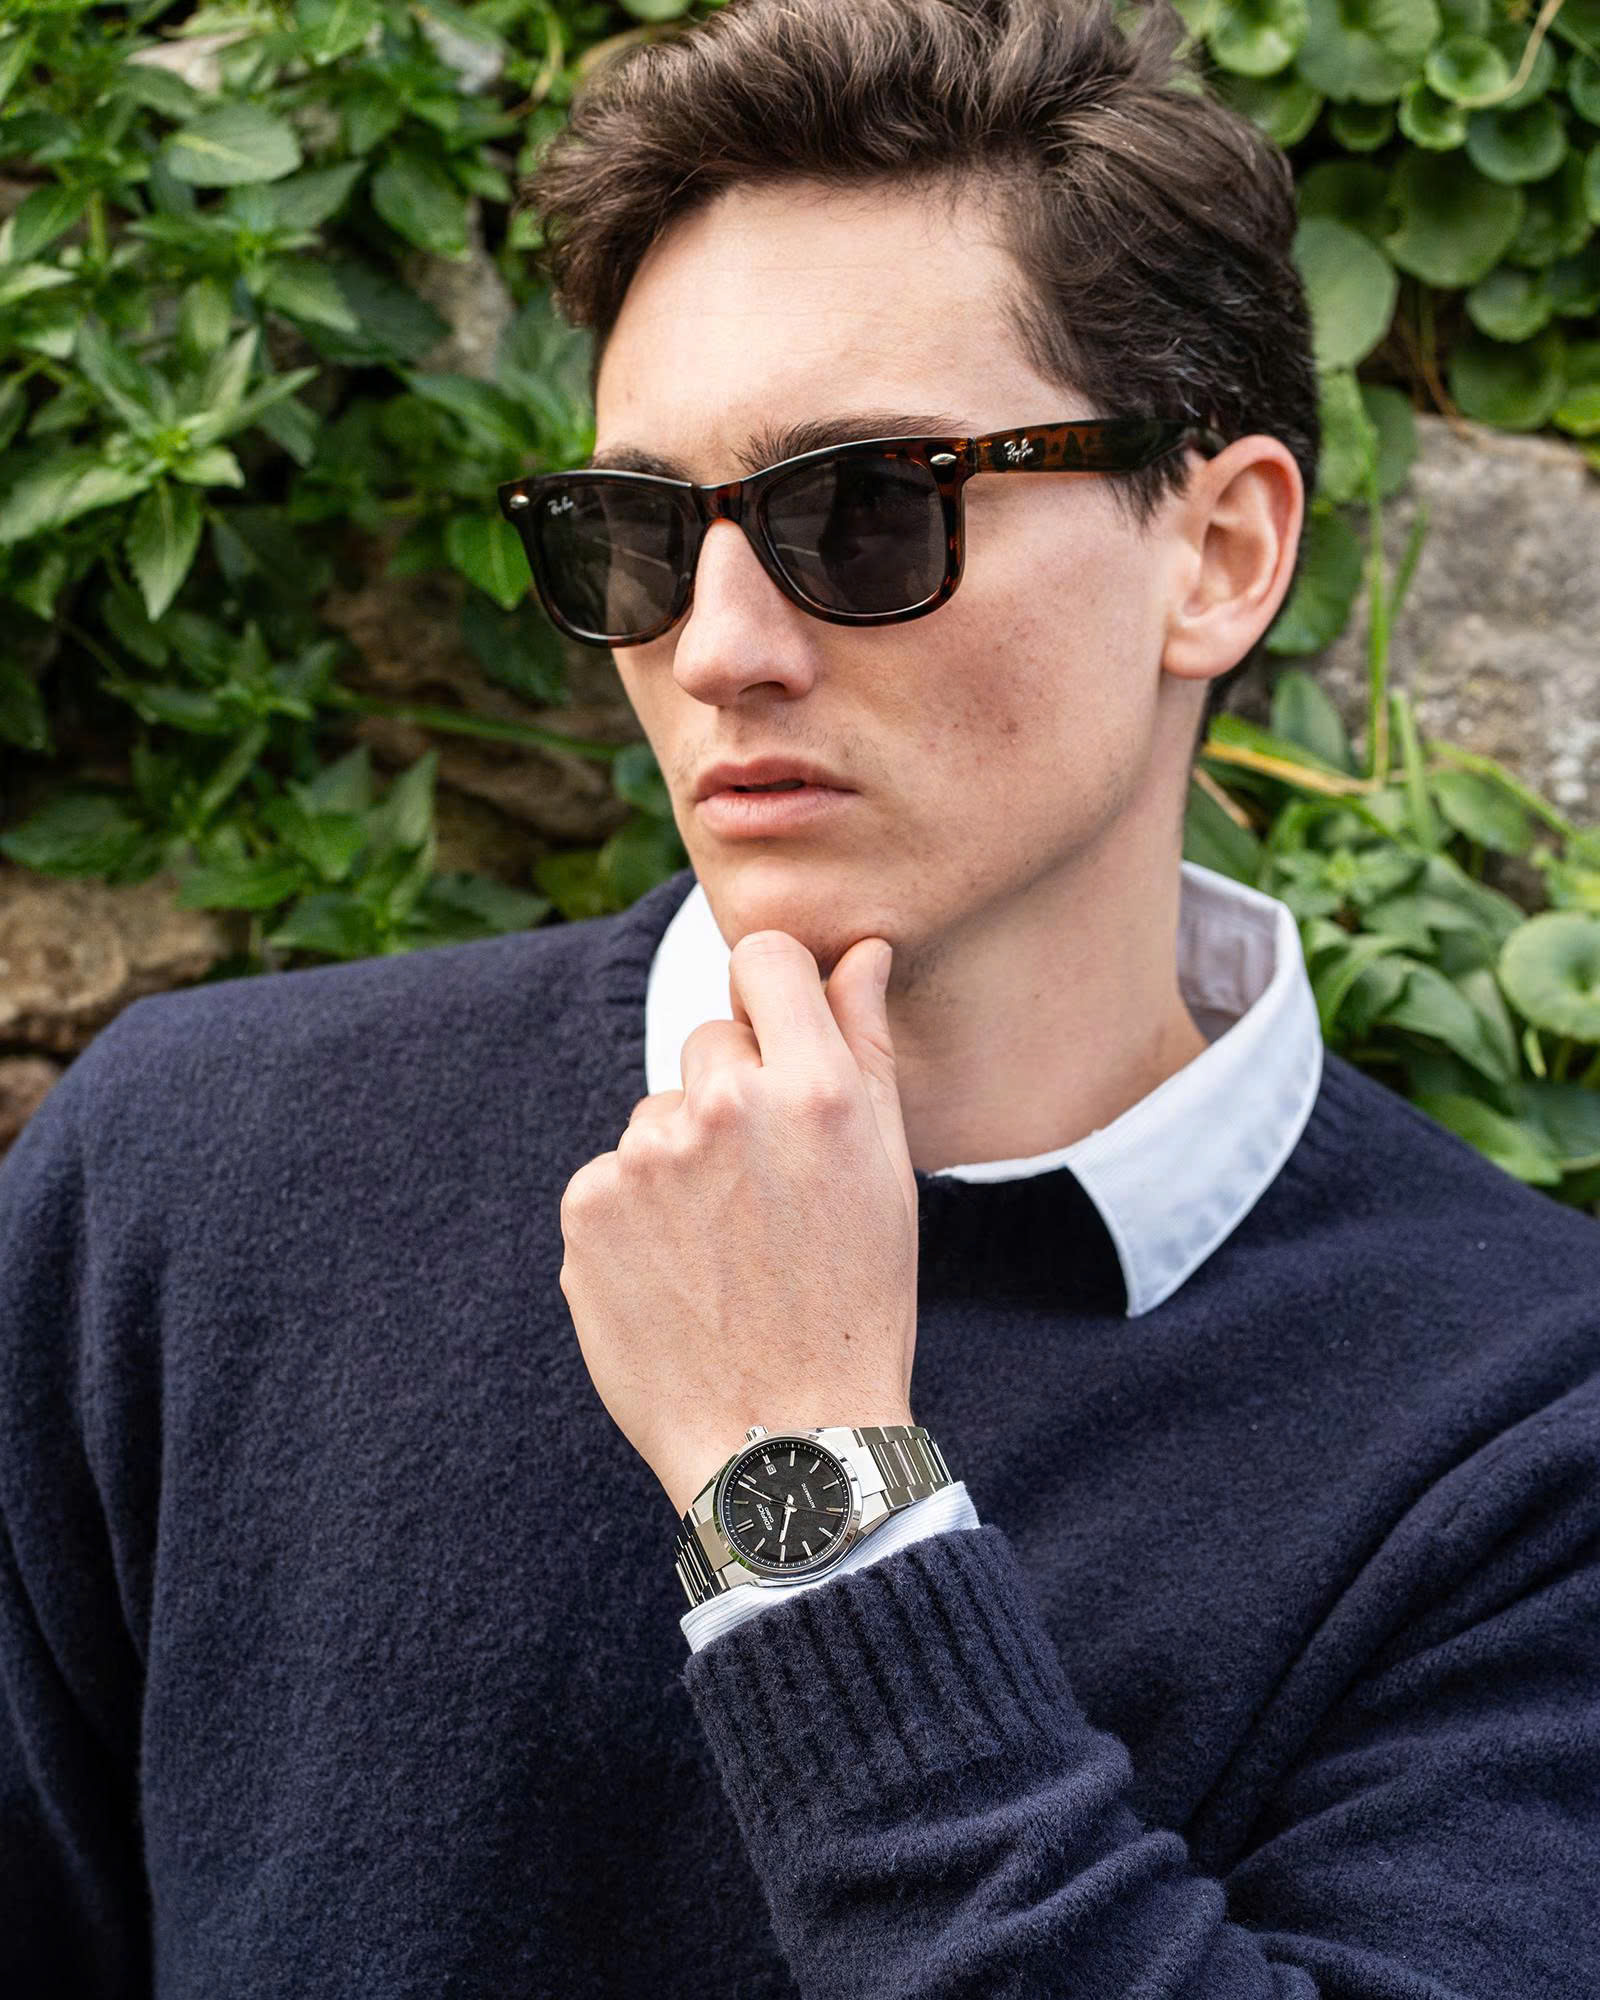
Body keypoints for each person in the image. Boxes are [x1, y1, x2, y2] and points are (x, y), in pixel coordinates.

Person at [2, 0, 1596, 1992]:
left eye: (865, 508)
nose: (718, 647)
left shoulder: (1530, 1424)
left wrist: (808, 1490)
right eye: (636, 535)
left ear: (1216, 551)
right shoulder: (200, 1169)